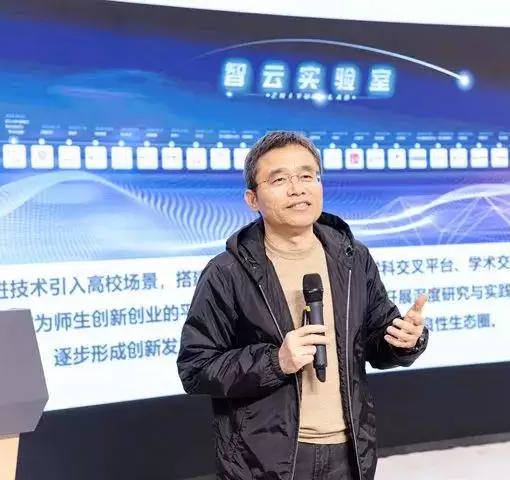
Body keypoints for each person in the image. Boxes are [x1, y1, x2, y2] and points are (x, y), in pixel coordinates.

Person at [176, 131, 429, 480]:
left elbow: (374, 342)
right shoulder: (228, 272)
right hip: (265, 459)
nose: (297, 189)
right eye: (279, 179)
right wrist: (275, 361)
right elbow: (196, 368)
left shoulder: (352, 258)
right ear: (252, 198)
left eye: (307, 175)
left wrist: (404, 341)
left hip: (349, 450)